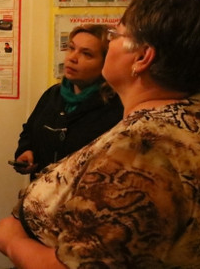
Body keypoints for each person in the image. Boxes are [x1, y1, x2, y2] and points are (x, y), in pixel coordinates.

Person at [0, 0, 200, 268]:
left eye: (116, 34)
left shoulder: (141, 150)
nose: (73, 57)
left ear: (142, 57)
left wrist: (12, 241)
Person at [12, 24, 123, 180]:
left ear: (106, 62)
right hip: (42, 192)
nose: (72, 58)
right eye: (71, 48)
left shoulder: (117, 107)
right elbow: (29, 132)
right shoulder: (53, 94)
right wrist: (26, 151)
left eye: (86, 54)